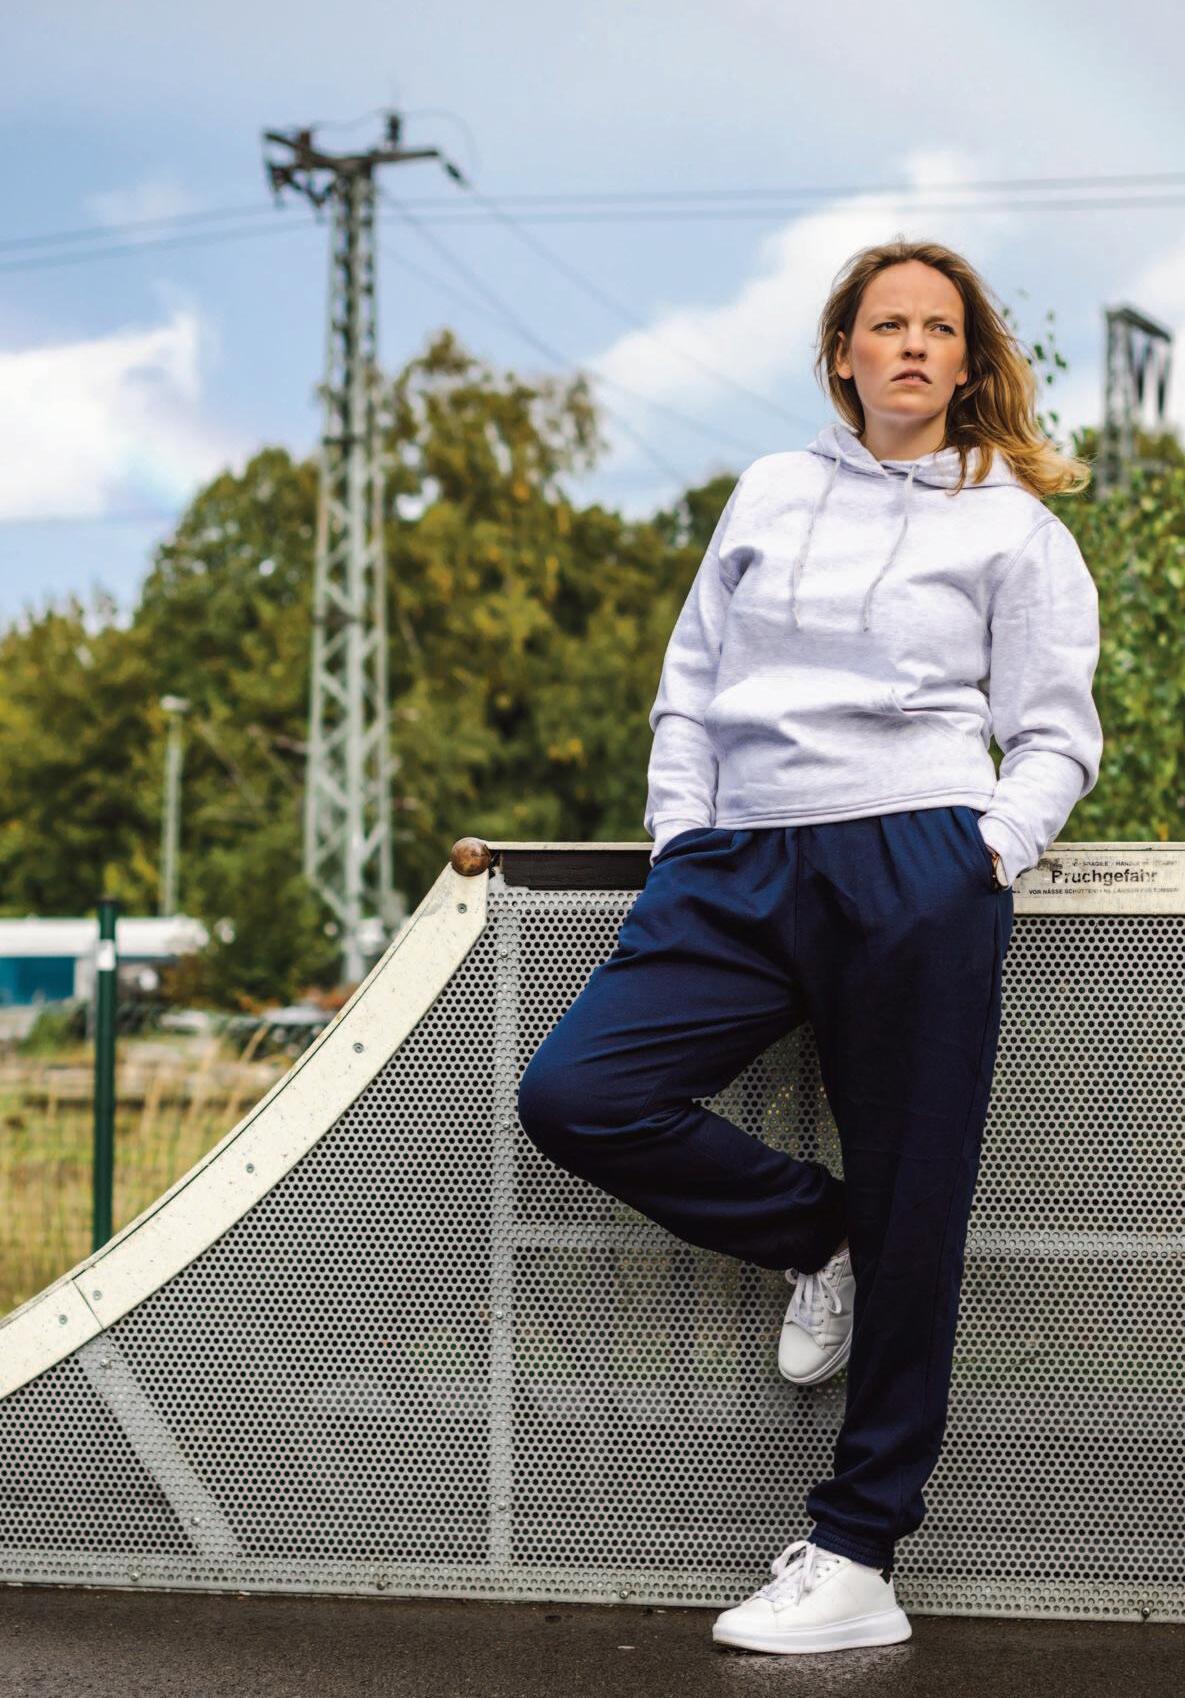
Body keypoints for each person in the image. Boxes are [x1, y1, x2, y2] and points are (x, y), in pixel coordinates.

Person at [516, 237, 1104, 1656]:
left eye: (937, 329)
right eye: (885, 325)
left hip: (914, 861)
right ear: (843, 353)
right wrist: (681, 840)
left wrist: (982, 852)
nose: (911, 346)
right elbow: (689, 686)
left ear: (966, 362)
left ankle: (856, 1554)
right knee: (578, 1093)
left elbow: (1055, 732)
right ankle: (814, 1233)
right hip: (736, 867)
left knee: (919, 1207)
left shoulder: (1013, 525)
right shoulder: (769, 490)